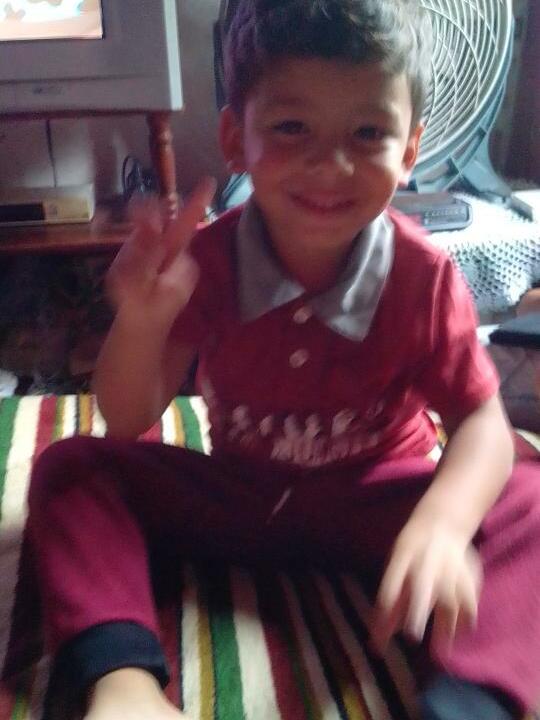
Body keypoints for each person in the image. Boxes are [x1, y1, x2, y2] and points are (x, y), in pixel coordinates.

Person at [27, 1, 540, 719]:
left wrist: (445, 523)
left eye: (368, 133)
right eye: (292, 127)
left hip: (378, 504)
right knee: (72, 467)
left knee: (525, 493)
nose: (330, 164)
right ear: (234, 139)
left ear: (410, 150)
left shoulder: (423, 277)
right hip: (240, 497)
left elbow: (481, 425)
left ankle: (472, 701)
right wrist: (141, 322)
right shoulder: (207, 261)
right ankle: (121, 683)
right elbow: (127, 415)